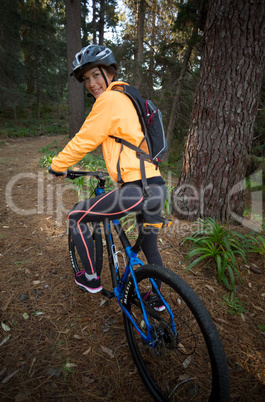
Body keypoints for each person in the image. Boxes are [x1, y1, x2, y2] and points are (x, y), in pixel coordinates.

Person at [49, 45, 167, 302]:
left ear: (110, 72)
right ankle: (158, 302)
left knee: (76, 216)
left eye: (95, 75)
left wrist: (57, 165)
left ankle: (91, 278)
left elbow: (84, 140)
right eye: (86, 79)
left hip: (137, 189)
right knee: (148, 245)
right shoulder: (128, 97)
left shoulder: (109, 99)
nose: (91, 83)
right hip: (157, 186)